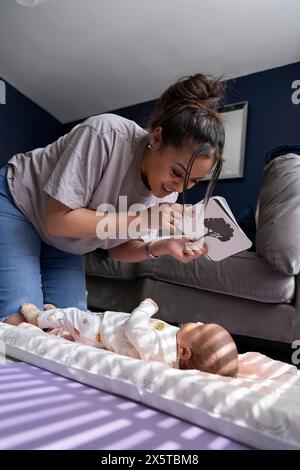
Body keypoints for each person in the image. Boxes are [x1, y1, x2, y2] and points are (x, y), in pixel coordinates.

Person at [0, 73, 225, 325]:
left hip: (65, 242)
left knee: (75, 329)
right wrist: (140, 218)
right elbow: (57, 220)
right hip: (19, 203)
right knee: (19, 322)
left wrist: (164, 246)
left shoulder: (167, 191)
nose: (180, 187)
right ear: (156, 138)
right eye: (177, 173)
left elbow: (116, 249)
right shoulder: (105, 134)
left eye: (192, 181)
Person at [20, 298, 238, 377]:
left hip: (99, 331)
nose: (198, 322)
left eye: (200, 328)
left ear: (185, 352)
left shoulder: (158, 351)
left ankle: (38, 319)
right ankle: (54, 318)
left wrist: (145, 308)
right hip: (104, 328)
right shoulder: (174, 346)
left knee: (74, 317)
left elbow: (134, 328)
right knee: (72, 322)